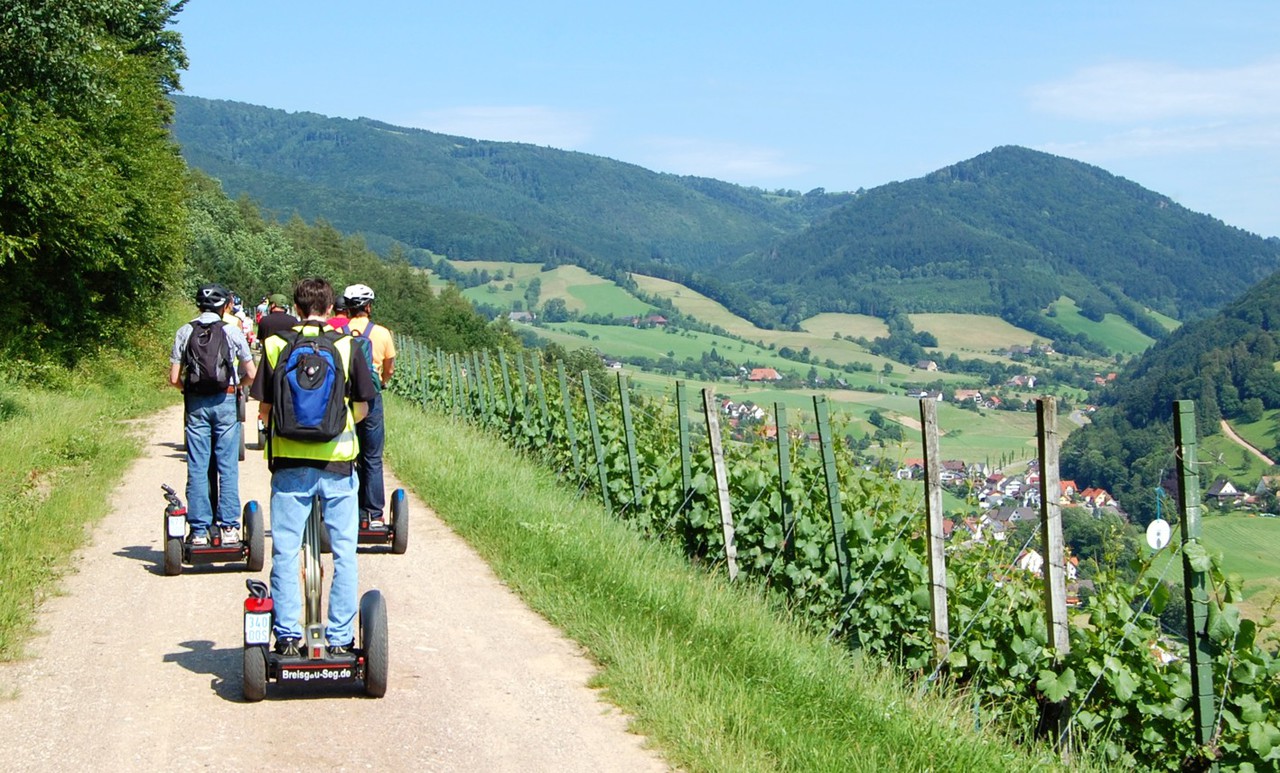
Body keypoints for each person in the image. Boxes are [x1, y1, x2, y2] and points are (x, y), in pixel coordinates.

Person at [251, 277, 377, 658]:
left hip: (290, 464)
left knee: (286, 552)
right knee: (344, 553)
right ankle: (339, 638)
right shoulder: (347, 345)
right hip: (337, 465)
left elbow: (264, 409)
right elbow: (363, 405)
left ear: (297, 308)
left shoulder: (276, 345)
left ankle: (288, 637)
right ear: (330, 308)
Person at [169, 283, 257, 546]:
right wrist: (238, 386)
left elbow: (174, 378)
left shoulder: (185, 331)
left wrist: (187, 390)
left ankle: (198, 531)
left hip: (196, 403)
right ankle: (229, 528)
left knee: (197, 465)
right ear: (224, 306)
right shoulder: (231, 331)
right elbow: (251, 373)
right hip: (225, 399)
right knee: (227, 466)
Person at [343, 283, 396, 527]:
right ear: (368, 307)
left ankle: (348, 509)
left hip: (344, 399)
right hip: (371, 398)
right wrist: (381, 383)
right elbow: (389, 369)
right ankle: (374, 514)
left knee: (346, 454)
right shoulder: (382, 333)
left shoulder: (338, 332)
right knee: (372, 457)